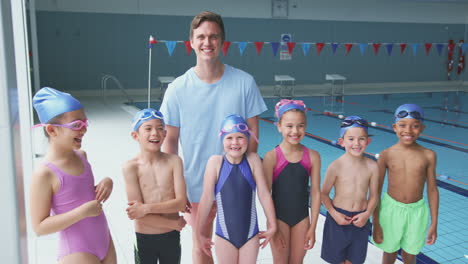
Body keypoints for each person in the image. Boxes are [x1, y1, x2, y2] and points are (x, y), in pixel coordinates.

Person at [159, 10, 267, 264]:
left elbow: (253, 136)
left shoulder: (244, 82)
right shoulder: (177, 89)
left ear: (222, 42)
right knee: (201, 248)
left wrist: (250, 177)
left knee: (239, 248)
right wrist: (178, 186)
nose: (207, 42)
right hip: (196, 184)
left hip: (238, 183)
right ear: (192, 42)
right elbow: (170, 140)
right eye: (201, 37)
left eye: (213, 37)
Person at [29, 87, 116, 263]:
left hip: (104, 240)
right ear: (52, 130)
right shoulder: (45, 174)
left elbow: (80, 194)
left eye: (85, 123)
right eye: (76, 125)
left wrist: (107, 182)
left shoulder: (82, 156)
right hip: (76, 251)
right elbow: (39, 227)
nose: (83, 130)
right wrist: (81, 212)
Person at [196, 114, 277, 264]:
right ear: (222, 140)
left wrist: (272, 224)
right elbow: (206, 198)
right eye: (229, 138)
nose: (235, 142)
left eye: (240, 137)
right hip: (224, 236)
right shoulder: (215, 163)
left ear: (247, 138)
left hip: (250, 235)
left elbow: (264, 194)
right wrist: (198, 233)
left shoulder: (253, 160)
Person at [373, 104, 439, 264]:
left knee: (411, 254)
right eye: (402, 125)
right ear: (394, 127)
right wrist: (375, 223)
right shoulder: (386, 154)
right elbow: (376, 190)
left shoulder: (428, 155)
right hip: (391, 210)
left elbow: (432, 190)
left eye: (415, 126)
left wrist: (434, 223)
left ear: (422, 128)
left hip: (417, 212)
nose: (408, 130)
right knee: (389, 252)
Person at [122, 108, 188, 264]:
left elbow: (181, 203)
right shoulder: (131, 167)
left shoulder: (174, 162)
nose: (155, 133)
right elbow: (136, 214)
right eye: (148, 128)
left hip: (171, 237)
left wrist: (146, 208)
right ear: (135, 135)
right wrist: (172, 223)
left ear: (165, 134)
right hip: (145, 238)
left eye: (160, 128)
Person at [262, 99, 321, 263]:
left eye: (300, 126)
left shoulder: (313, 156)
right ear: (279, 126)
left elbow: (316, 193)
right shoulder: (271, 157)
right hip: (278, 219)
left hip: (302, 219)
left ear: (305, 127)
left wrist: (313, 227)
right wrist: (272, 225)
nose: (295, 131)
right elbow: (266, 195)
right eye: (289, 126)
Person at [320, 115, 379, 264]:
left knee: (355, 261)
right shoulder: (336, 166)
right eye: (351, 139)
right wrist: (334, 214)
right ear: (341, 142)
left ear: (368, 141)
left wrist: (367, 214)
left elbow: (374, 195)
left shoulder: (372, 166)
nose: (356, 143)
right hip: (338, 218)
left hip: (361, 220)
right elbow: (324, 194)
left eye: (361, 139)